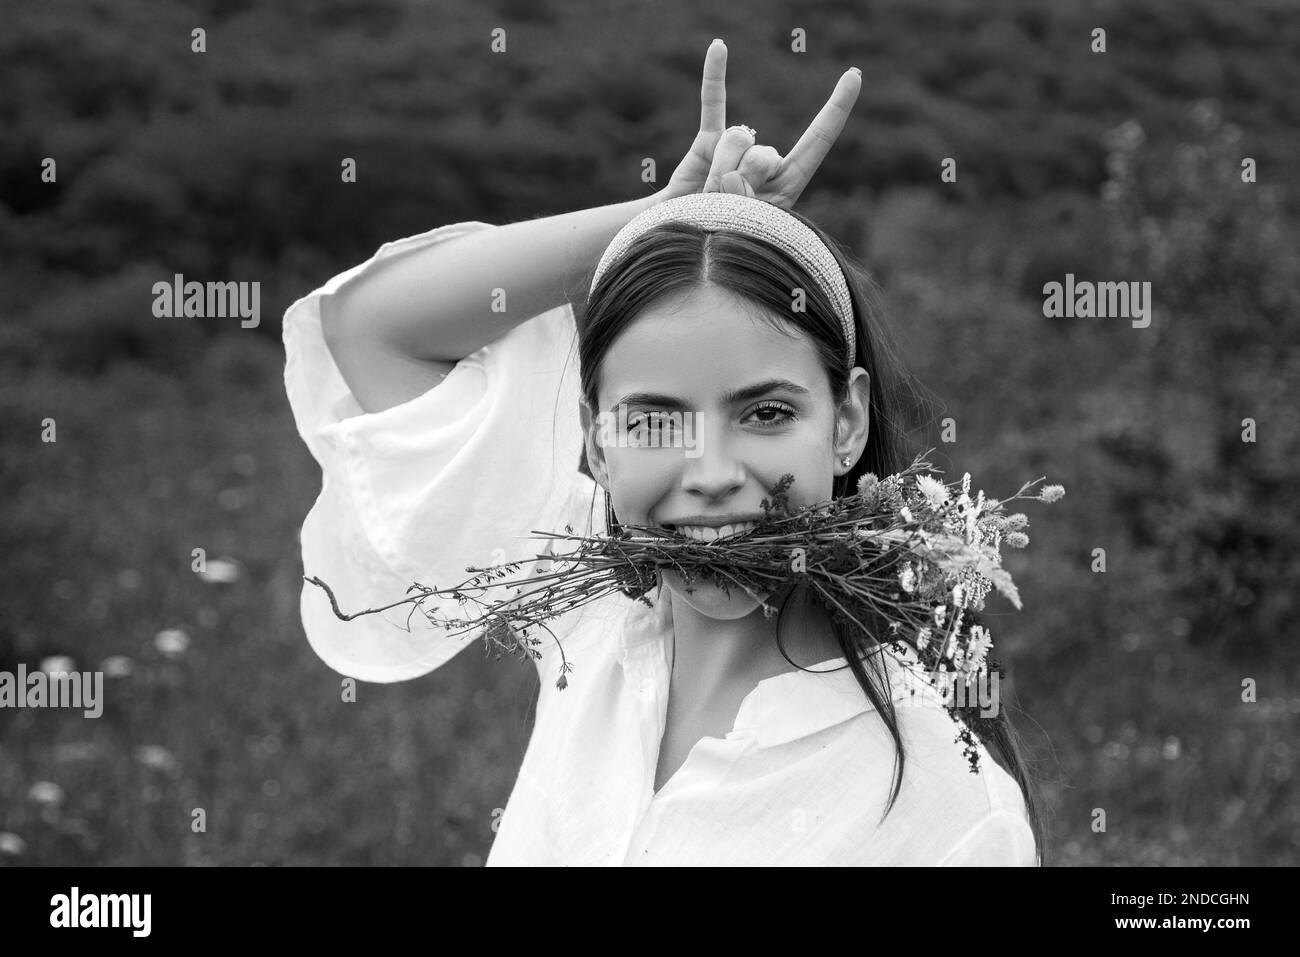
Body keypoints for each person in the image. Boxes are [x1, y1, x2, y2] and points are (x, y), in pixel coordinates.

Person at [283, 39, 1043, 865]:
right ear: (597, 441)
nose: (712, 474)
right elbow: (371, 329)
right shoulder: (594, 616)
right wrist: (655, 219)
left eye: (764, 411)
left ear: (848, 419)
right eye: (653, 421)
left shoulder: (943, 807)